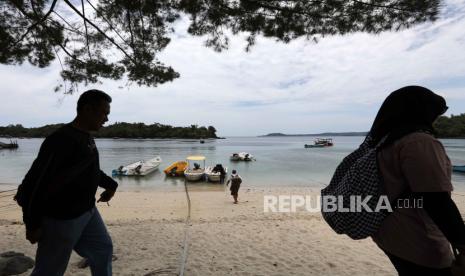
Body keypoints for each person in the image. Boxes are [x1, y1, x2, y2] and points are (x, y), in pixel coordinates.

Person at [15, 89, 118, 276]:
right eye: (104, 113)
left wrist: (111, 185)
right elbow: (34, 183)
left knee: (103, 250)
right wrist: (32, 224)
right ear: (87, 109)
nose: (106, 119)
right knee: (50, 270)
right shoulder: (60, 140)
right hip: (61, 218)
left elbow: (90, 170)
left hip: (88, 212)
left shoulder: (86, 136)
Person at [369, 86, 465, 275]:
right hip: (419, 239)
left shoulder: (383, 143)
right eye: (437, 112)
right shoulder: (419, 142)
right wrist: (462, 241)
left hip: (390, 233)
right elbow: (436, 200)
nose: (437, 118)